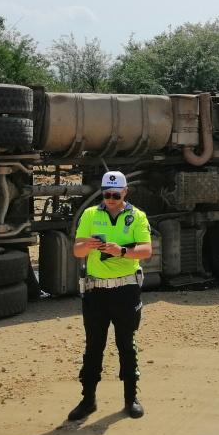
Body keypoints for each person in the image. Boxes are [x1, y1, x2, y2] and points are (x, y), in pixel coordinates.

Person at [70, 171, 152, 421]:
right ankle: (88, 400)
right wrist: (88, 246)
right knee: (94, 346)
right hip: (96, 291)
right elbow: (76, 250)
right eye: (107, 194)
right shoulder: (90, 214)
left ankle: (131, 399)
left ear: (125, 192)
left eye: (116, 194)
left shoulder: (136, 216)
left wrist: (121, 251)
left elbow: (146, 250)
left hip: (126, 290)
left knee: (126, 344)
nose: (111, 199)